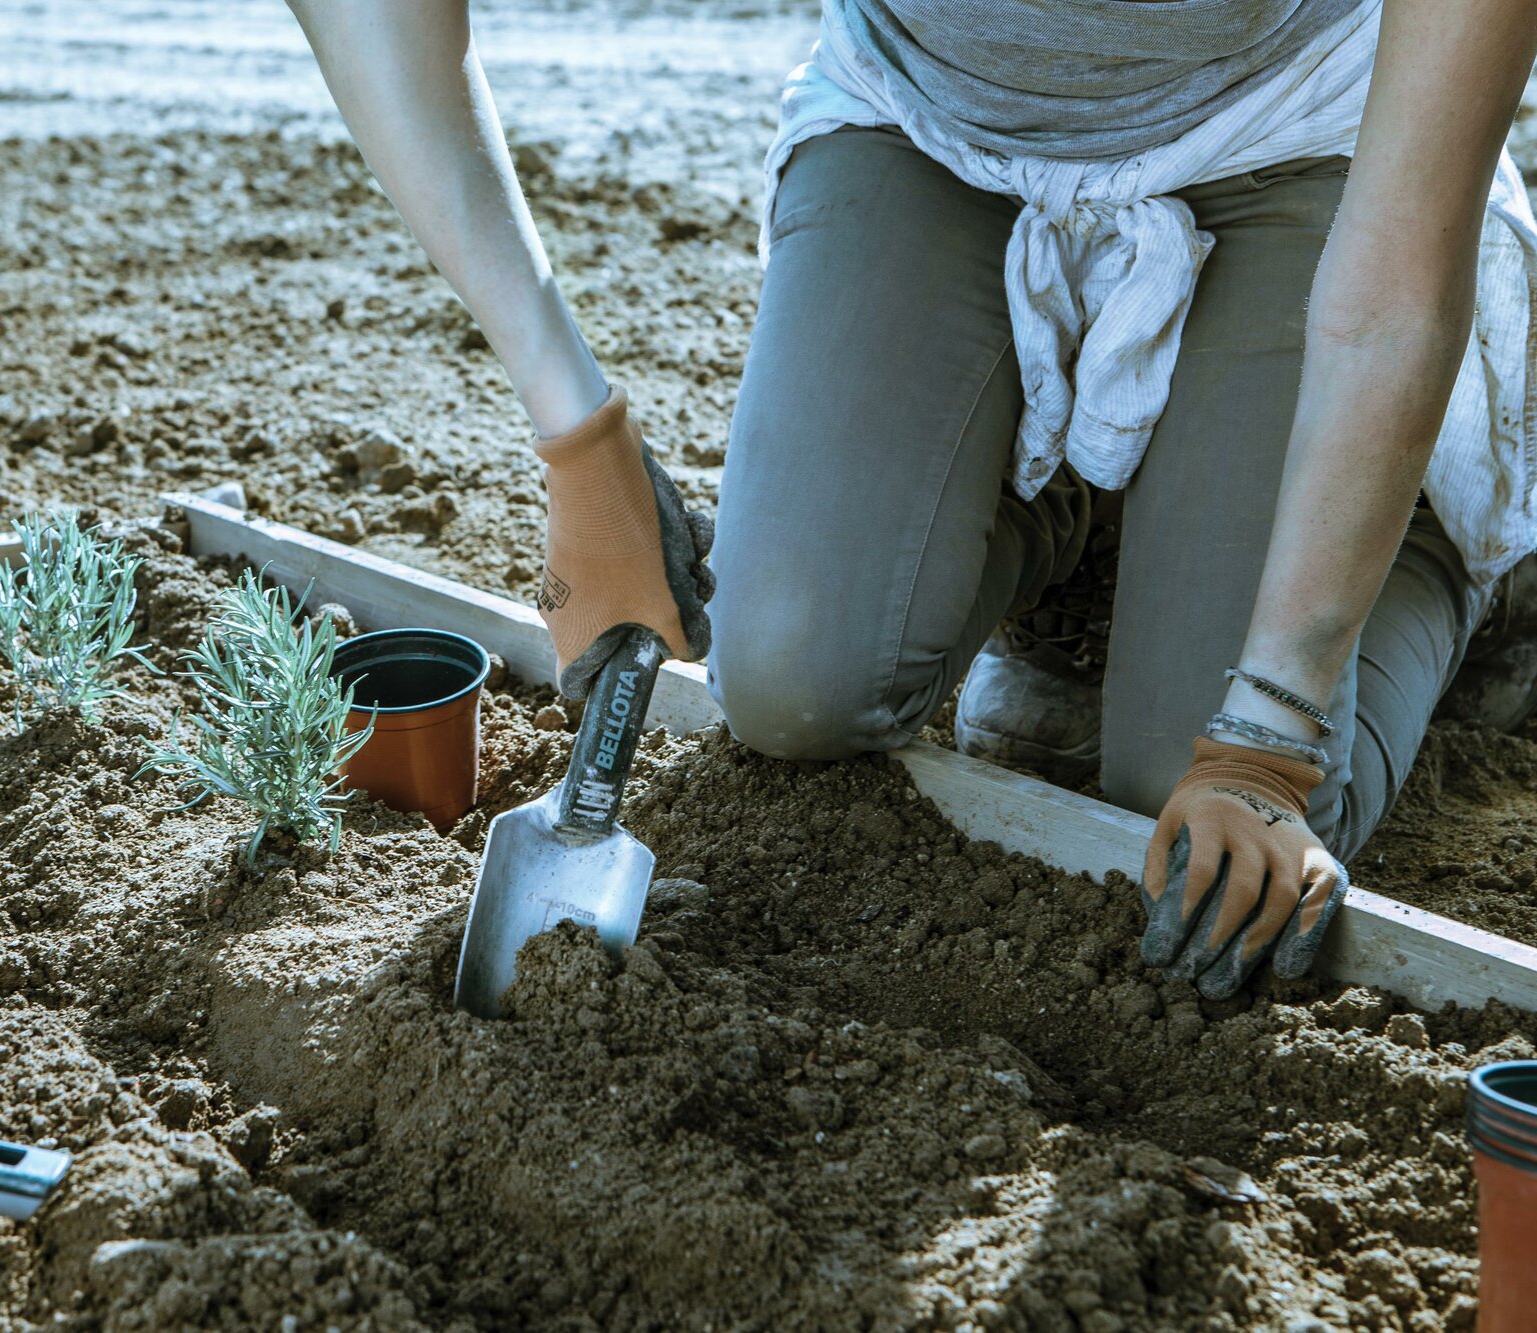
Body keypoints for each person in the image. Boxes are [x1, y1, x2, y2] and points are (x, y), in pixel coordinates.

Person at [285, 0, 1537, 998]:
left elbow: (1389, 295)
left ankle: (1429, 548)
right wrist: (580, 437)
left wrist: (1267, 732)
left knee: (1178, 802)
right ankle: (1073, 508)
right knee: (787, 678)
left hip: (1310, 132)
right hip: (926, 121)